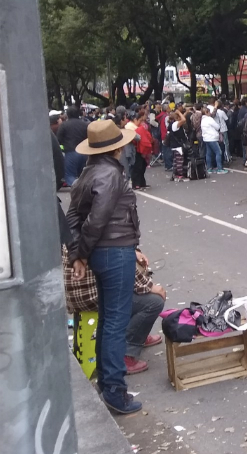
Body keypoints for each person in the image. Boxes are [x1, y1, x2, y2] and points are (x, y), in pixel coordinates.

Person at [66, 120, 147, 414]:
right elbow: (96, 220)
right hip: (114, 252)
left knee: (106, 320)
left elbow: (73, 217)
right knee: (115, 322)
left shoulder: (88, 173)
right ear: (116, 148)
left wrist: (79, 254)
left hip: (105, 252)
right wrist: (82, 253)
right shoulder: (110, 175)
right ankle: (115, 389)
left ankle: (108, 384)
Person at [65, 251, 165, 376]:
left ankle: (138, 334)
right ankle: (125, 354)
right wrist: (150, 286)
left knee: (138, 276)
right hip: (93, 296)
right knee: (154, 302)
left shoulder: (77, 233)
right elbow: (120, 263)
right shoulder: (100, 234)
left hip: (78, 293)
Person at [58, 106, 90, 186]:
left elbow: (59, 138)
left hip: (71, 151)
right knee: (83, 174)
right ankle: (84, 188)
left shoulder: (64, 125)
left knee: (70, 175)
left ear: (67, 115)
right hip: (84, 152)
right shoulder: (85, 124)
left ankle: (76, 188)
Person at [131, 112, 153, 190]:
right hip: (137, 148)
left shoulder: (139, 127)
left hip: (140, 147)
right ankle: (136, 183)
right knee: (138, 167)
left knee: (142, 166)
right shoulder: (132, 127)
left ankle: (141, 183)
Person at [201, 105, 226, 174]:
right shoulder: (209, 119)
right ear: (207, 112)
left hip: (206, 138)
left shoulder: (202, 120)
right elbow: (217, 127)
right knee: (218, 152)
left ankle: (209, 168)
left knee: (208, 153)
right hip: (212, 138)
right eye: (209, 112)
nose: (210, 113)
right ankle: (219, 168)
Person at [167, 110, 189, 182]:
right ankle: (180, 175)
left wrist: (185, 112)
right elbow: (184, 119)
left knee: (175, 161)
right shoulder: (176, 124)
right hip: (178, 145)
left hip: (174, 144)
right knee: (180, 161)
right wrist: (179, 112)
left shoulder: (171, 124)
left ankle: (175, 174)